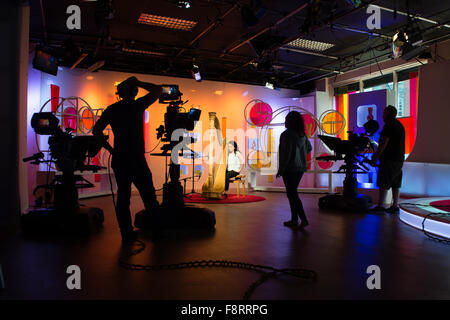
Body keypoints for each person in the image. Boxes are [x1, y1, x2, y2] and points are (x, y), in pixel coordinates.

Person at [93, 76, 162, 243]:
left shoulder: (112, 109)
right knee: (149, 196)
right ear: (133, 91)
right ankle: (158, 232)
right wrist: (137, 81)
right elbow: (158, 90)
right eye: (135, 88)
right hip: (137, 159)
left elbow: (96, 131)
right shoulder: (137, 105)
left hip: (121, 159)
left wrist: (111, 150)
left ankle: (126, 233)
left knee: (123, 198)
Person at [276, 111, 312, 229]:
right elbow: (309, 148)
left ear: (290, 122)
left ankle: (303, 219)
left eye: (286, 120)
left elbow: (286, 153)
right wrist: (299, 155)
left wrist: (281, 169)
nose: (285, 122)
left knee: (292, 194)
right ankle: (294, 219)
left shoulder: (286, 135)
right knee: (292, 193)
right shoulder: (302, 134)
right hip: (300, 168)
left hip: (290, 168)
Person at [369, 105, 405, 214]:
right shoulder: (399, 125)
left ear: (388, 114)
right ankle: (394, 205)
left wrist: (376, 156)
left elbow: (383, 142)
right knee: (395, 183)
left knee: (384, 182)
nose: (382, 115)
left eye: (384, 113)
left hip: (389, 159)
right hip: (398, 159)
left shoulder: (389, 125)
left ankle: (381, 206)